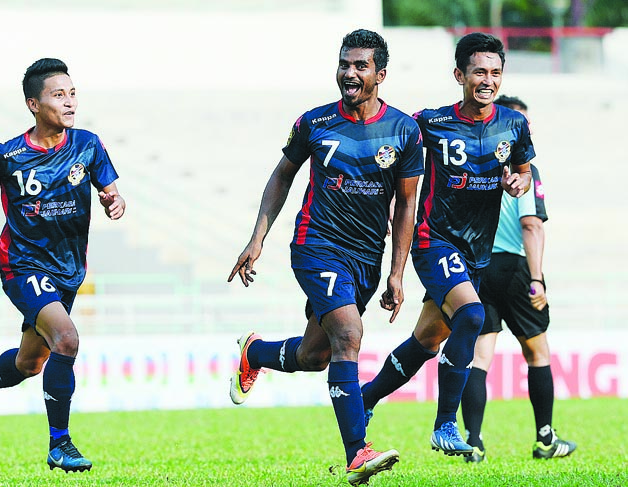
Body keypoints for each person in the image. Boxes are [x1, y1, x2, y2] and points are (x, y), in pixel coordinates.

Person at [227, 29, 423, 486]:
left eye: (360, 66)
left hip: (365, 258)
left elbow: (407, 205)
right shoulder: (313, 123)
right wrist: (257, 238)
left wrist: (397, 272)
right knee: (350, 335)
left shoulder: (404, 131)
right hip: (317, 245)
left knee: (316, 355)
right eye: (344, 64)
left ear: (381, 74)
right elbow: (282, 176)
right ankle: (358, 453)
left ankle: (254, 352)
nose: (349, 73)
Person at [0, 58, 125, 473]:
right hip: (21, 264)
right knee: (67, 339)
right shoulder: (7, 154)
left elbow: (111, 190)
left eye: (72, 93)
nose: (69, 102)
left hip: (68, 270)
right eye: (58, 95)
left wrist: (114, 200)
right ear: (33, 104)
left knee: (30, 364)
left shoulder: (88, 145)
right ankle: (60, 445)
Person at [358, 33, 534, 457]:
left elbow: (525, 170)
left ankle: (365, 398)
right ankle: (444, 426)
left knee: (427, 340)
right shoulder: (430, 122)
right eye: (478, 72)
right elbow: (391, 147)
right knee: (472, 315)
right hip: (433, 240)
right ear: (460, 75)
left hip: (477, 251)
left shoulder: (514, 124)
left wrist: (518, 181)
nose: (487, 80)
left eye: (494, 72)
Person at [460, 95, 576, 462]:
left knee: (479, 356)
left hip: (476, 269)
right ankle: (545, 439)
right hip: (514, 269)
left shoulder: (475, 164)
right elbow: (530, 225)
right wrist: (537, 279)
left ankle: (473, 442)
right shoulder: (525, 171)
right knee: (537, 352)